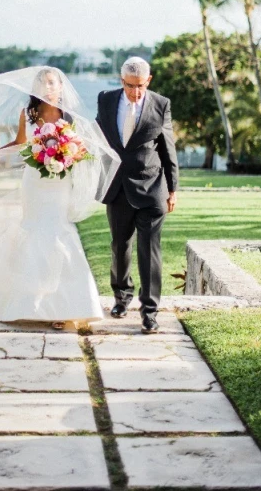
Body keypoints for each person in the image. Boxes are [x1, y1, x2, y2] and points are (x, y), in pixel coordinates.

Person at [0, 67, 110, 329]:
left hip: (60, 186)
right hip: (33, 185)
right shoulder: (28, 115)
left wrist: (68, 156)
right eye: (42, 83)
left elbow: (83, 150)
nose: (47, 88)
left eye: (52, 83)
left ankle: (64, 307)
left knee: (59, 234)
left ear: (61, 87)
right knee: (32, 233)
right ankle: (25, 302)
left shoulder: (71, 117)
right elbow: (20, 143)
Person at [96, 56, 178, 333]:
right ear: (122, 81)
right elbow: (97, 138)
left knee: (149, 249)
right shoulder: (106, 100)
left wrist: (173, 189)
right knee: (120, 245)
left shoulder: (161, 104)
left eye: (140, 86)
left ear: (148, 80)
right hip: (118, 186)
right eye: (130, 86)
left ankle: (150, 311)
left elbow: (168, 149)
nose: (135, 92)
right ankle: (121, 297)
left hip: (152, 186)